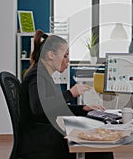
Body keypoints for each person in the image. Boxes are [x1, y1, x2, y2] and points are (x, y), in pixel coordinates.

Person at [19, 31, 114, 159]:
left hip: (43, 134)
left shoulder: (43, 74)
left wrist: (82, 109)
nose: (68, 60)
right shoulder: (38, 76)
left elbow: (53, 108)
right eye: (65, 56)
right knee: (100, 148)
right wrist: (70, 94)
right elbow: (39, 109)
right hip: (40, 140)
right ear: (51, 55)